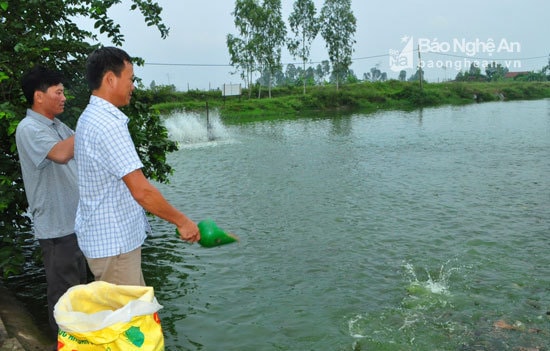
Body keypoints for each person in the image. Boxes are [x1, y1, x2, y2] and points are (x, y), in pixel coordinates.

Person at [75, 46, 200, 286]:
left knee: (133, 315)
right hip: (116, 247)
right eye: (130, 79)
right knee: (128, 320)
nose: (133, 86)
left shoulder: (90, 117)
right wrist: (182, 222)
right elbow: (142, 191)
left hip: (108, 244)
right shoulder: (108, 125)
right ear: (111, 79)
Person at [15, 65, 88, 340]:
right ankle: (64, 345)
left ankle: (79, 344)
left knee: (80, 295)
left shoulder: (58, 126)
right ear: (39, 96)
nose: (64, 97)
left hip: (76, 225)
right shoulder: (29, 128)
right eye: (58, 92)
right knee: (64, 299)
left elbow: (81, 151)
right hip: (58, 230)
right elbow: (60, 153)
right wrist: (92, 122)